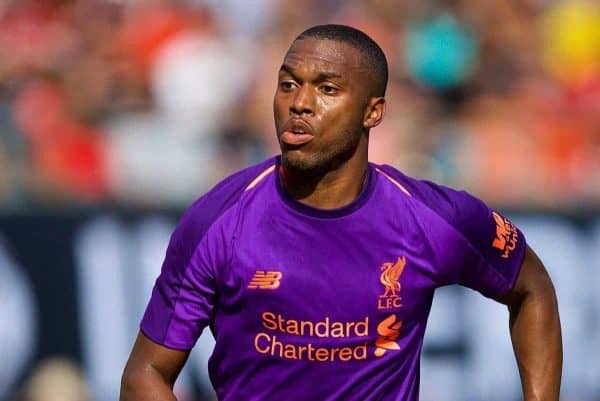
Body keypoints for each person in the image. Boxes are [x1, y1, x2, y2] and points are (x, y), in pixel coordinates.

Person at [120, 24, 562, 401]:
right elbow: (145, 375)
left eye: (327, 89)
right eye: (288, 84)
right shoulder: (218, 221)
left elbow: (531, 289)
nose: (300, 103)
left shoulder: (433, 220)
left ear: (373, 112)